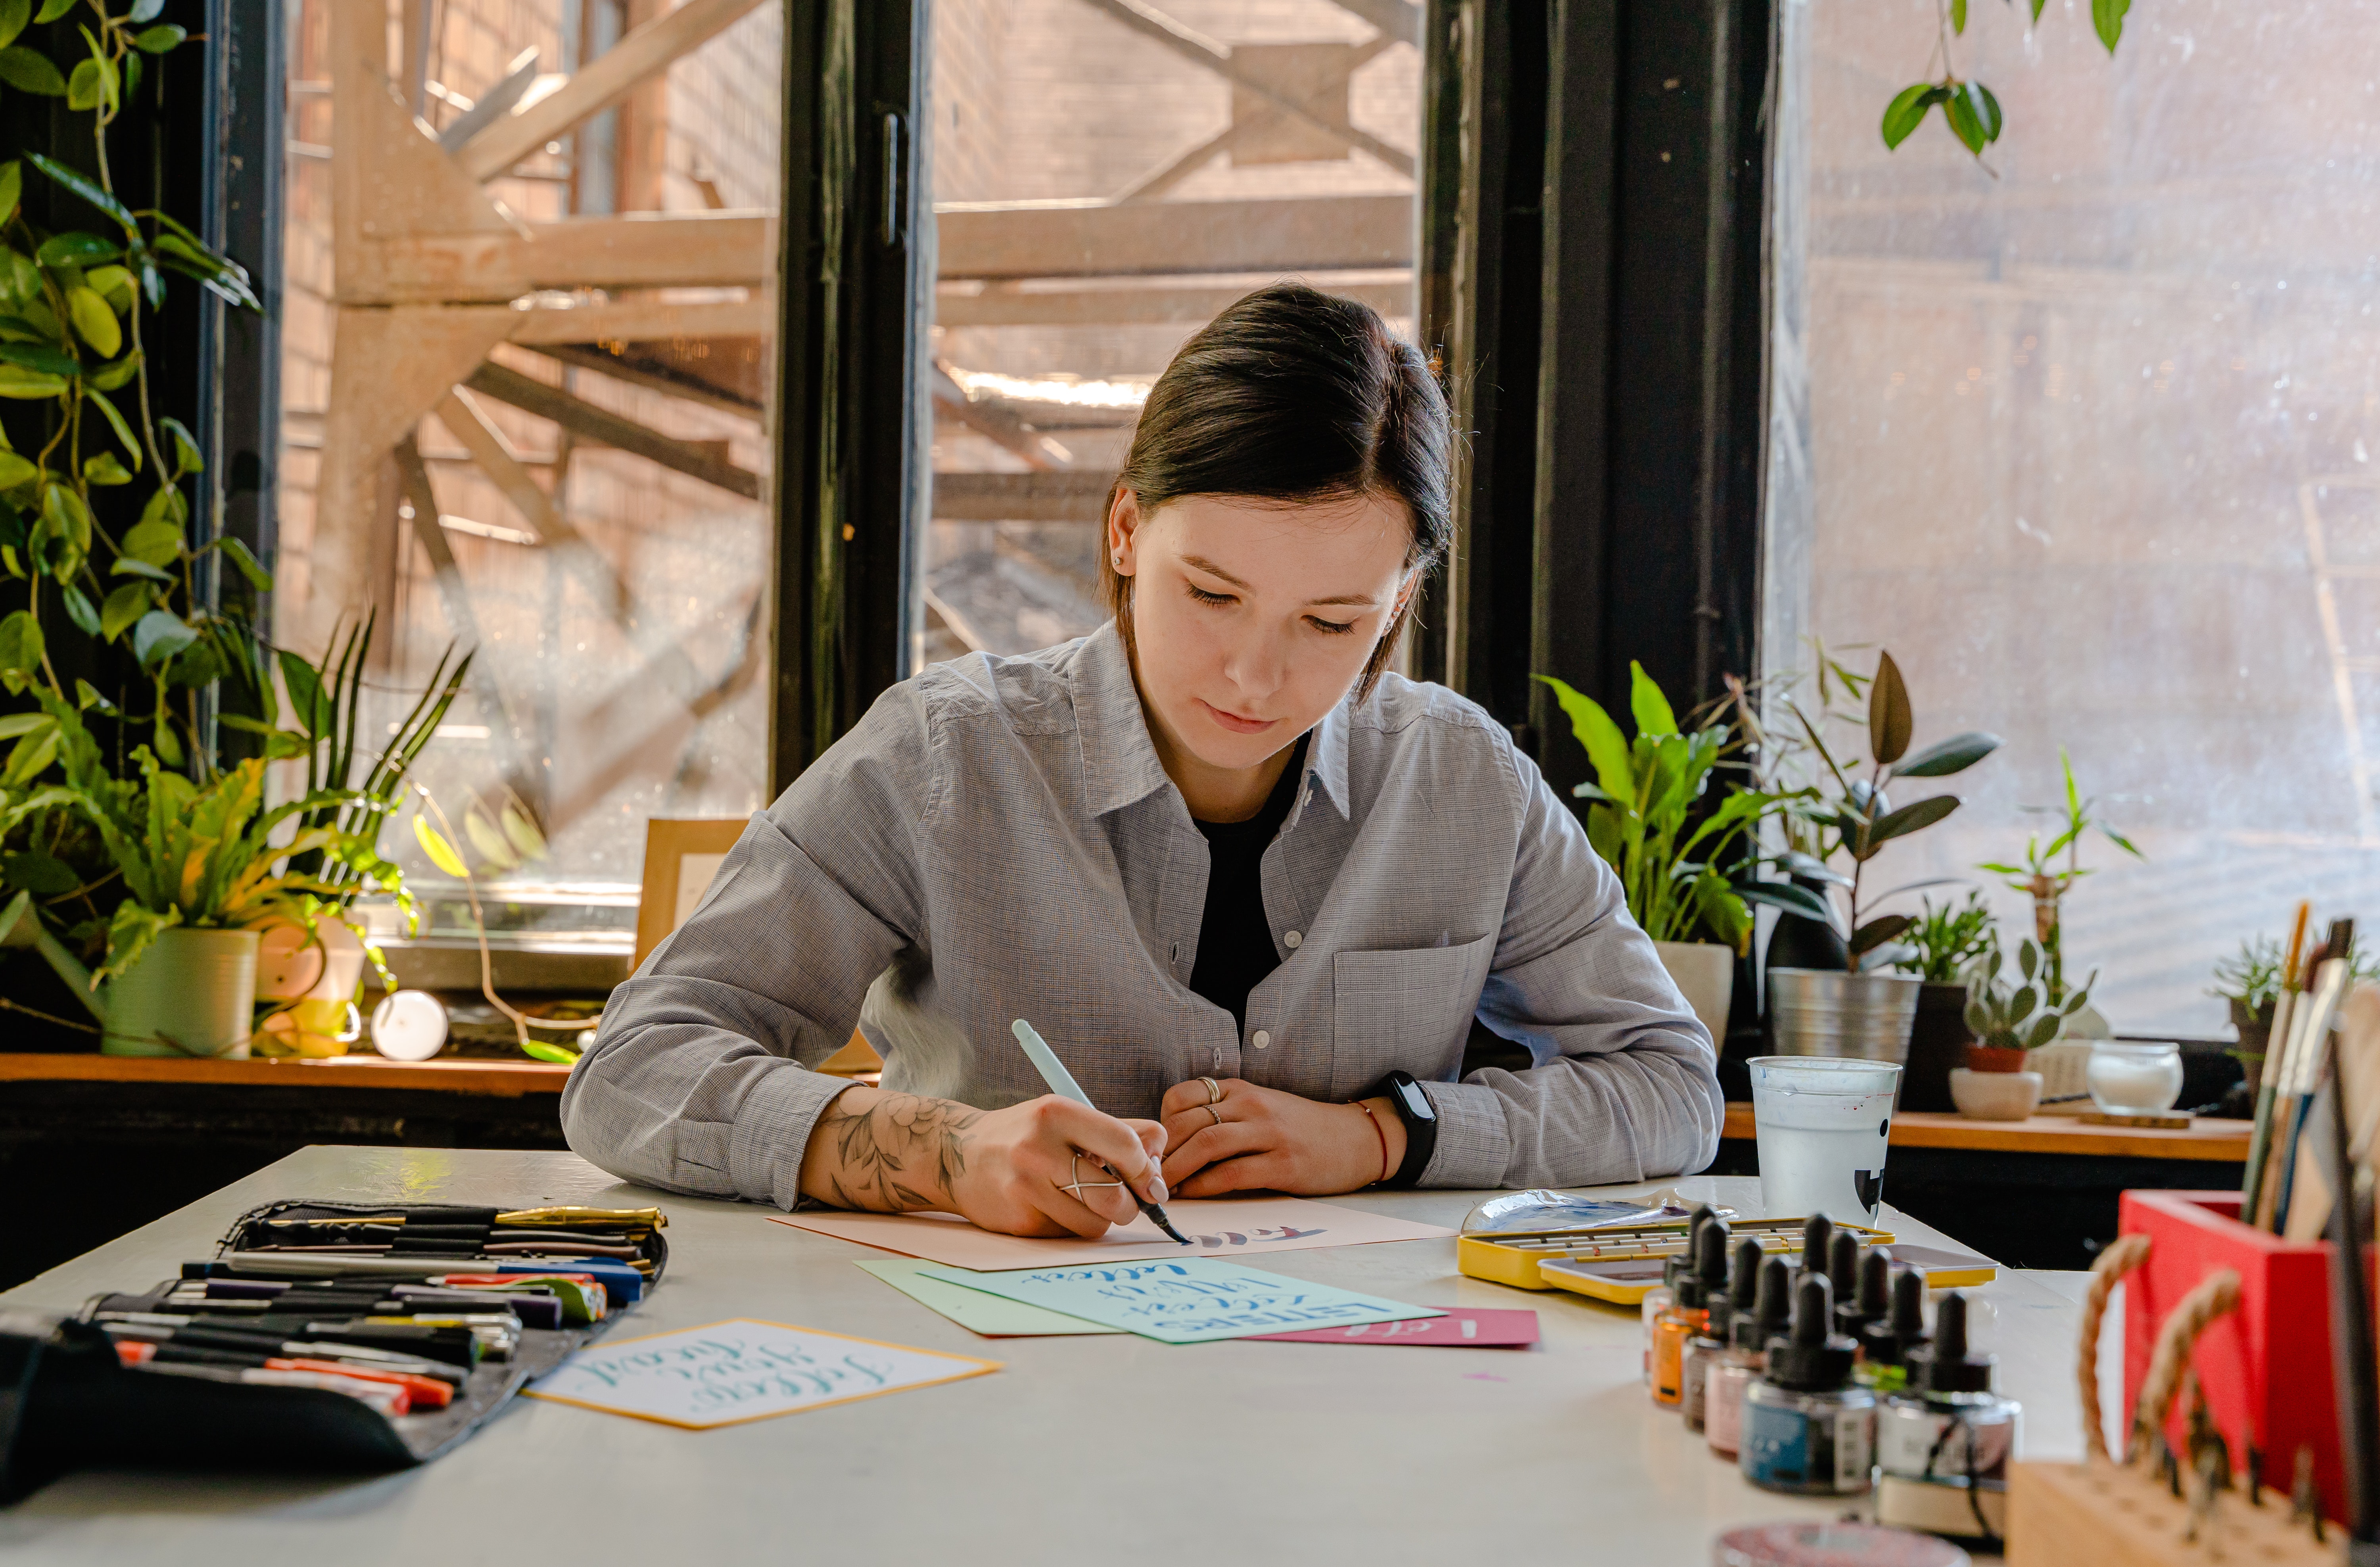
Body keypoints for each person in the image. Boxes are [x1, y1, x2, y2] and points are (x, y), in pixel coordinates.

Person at [562, 282, 1722, 1238]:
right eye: (1211, 595)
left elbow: (1673, 1089)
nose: (1255, 679)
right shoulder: (947, 757)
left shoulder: (1465, 783)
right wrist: (939, 1152)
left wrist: (1386, 1135)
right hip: (976, 1381)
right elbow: (628, 1072)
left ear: (1401, 601)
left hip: (1361, 1392)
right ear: (1125, 530)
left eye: (1332, 624)